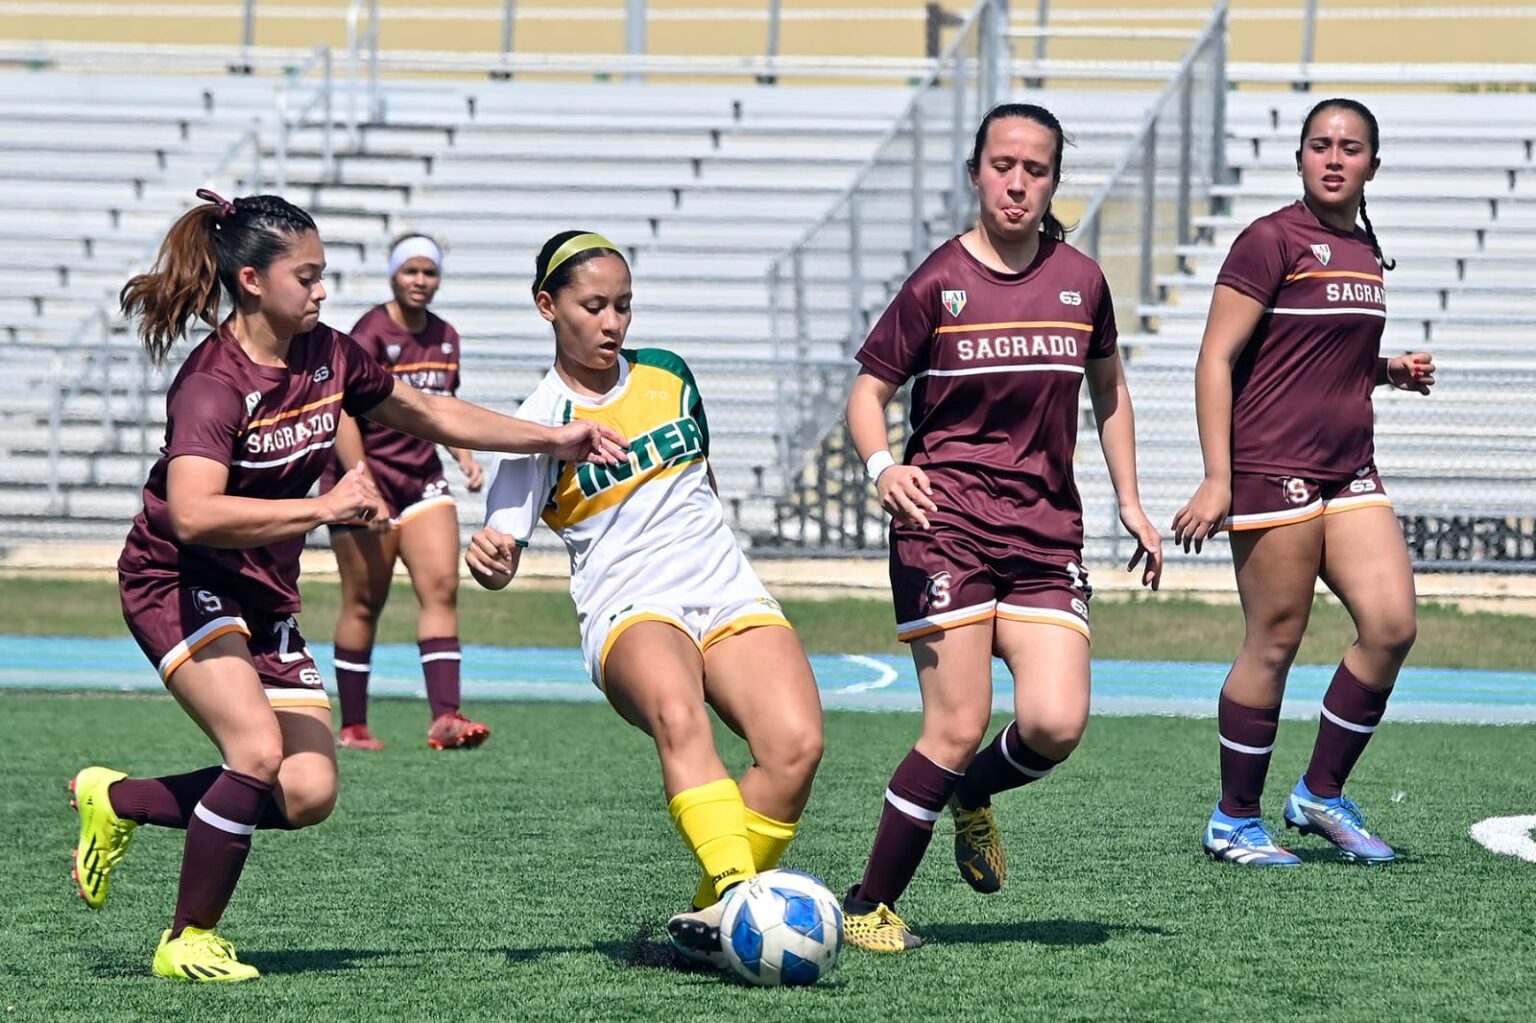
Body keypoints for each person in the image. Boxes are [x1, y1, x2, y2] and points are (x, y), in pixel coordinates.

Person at [69, 190, 624, 983]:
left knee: (307, 789)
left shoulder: (328, 353)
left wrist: (554, 434)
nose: (323, 290)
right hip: (178, 580)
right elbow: (191, 514)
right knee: (257, 751)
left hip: (261, 594)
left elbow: (427, 410)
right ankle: (186, 937)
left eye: (324, 274)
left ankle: (117, 800)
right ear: (254, 281)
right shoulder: (214, 382)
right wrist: (324, 505)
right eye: (308, 275)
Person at [840, 103, 1163, 952]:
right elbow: (866, 394)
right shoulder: (936, 282)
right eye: (1003, 165)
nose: (1018, 182)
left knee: (1056, 724)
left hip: (1046, 535)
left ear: (1054, 180)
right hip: (944, 526)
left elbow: (1110, 390)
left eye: (1037, 169)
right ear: (976, 172)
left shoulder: (1083, 282)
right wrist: (885, 468)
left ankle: (969, 794)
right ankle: (869, 902)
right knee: (955, 723)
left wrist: (1131, 499)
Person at [465, 230, 824, 969]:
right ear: (547, 306)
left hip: (723, 587)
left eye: (623, 306)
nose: (612, 323)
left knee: (795, 748)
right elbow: (498, 556)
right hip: (629, 605)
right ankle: (740, 890)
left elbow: (703, 479)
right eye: (593, 306)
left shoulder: (668, 373)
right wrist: (491, 557)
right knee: (678, 711)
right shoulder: (538, 423)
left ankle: (711, 924)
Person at [1172, 98, 1435, 868]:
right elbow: (1216, 359)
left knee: (1391, 626)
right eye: (1319, 144)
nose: (1333, 157)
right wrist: (1218, 478)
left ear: (1372, 167)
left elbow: (1326, 358)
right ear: (1299, 159)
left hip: (1349, 465)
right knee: (1276, 640)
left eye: (1350, 148)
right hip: (1269, 465)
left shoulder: (1364, 249)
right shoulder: (1270, 240)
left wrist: (1388, 371)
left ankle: (1320, 793)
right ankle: (1234, 818)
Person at [319, 234, 491, 752]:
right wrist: (363, 484)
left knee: (441, 586)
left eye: (429, 273)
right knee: (365, 601)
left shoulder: (445, 336)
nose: (420, 281)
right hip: (364, 476)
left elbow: (442, 405)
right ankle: (353, 726)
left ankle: (446, 717)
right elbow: (342, 410)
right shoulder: (370, 332)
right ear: (394, 274)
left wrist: (462, 456)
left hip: (421, 478)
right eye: (411, 271)